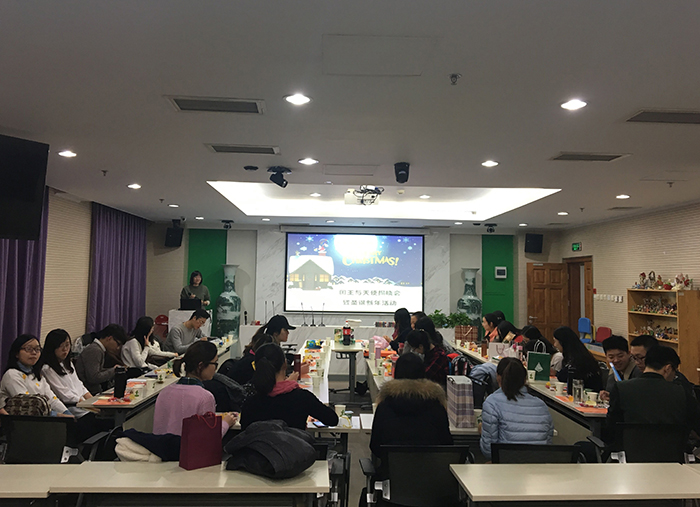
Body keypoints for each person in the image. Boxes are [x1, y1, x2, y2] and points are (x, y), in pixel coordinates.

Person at [606, 345, 697, 445]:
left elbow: (611, 425)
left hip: (629, 451)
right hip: (672, 452)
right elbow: (695, 424)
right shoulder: (681, 392)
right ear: (668, 368)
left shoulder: (621, 388)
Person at [370, 353, 452, 460]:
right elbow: (447, 444)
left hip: (393, 469)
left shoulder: (385, 405)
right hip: (431, 468)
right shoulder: (436, 406)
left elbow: (375, 446)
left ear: (396, 374)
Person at [240, 343, 338, 430]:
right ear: (285, 364)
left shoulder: (250, 403)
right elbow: (332, 420)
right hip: (295, 445)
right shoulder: (302, 398)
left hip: (259, 445)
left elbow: (245, 431)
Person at [153, 340, 237, 436]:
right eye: (215, 363)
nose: (215, 368)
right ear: (201, 365)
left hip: (161, 445)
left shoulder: (164, 392)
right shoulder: (205, 397)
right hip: (186, 446)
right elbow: (208, 437)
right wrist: (226, 423)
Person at [480, 357, 554, 460]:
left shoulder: (492, 403)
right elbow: (548, 443)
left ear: (498, 377)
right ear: (524, 380)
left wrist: (482, 432)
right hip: (537, 465)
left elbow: (489, 451)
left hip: (506, 465)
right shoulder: (541, 405)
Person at [0, 334, 72, 416]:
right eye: (28, 349)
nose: (34, 353)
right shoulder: (12, 374)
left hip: (42, 417)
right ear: (16, 353)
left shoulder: (37, 375)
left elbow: (52, 399)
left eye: (37, 349)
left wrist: (66, 413)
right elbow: (28, 405)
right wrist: (57, 415)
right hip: (22, 419)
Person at [40, 329, 93, 417]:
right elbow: (64, 395)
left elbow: (79, 385)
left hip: (82, 403)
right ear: (52, 348)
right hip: (71, 406)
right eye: (61, 346)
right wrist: (89, 406)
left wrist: (94, 402)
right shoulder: (47, 369)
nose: (65, 349)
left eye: (67, 345)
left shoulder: (68, 363)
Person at [75, 324, 128, 395]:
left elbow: (97, 371)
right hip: (89, 393)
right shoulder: (94, 350)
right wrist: (114, 370)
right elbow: (94, 378)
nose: (118, 348)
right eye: (118, 344)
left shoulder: (98, 349)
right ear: (109, 338)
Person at [553, 326, 603, 392]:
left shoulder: (578, 359)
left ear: (562, 342)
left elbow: (564, 377)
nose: (555, 345)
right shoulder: (576, 353)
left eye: (555, 341)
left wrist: (555, 373)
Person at [599, 335, 642, 401]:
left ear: (629, 353)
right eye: (611, 357)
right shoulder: (612, 370)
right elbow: (610, 390)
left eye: (620, 356)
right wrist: (608, 395)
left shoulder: (638, 370)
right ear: (606, 357)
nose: (616, 360)